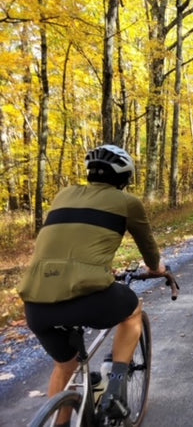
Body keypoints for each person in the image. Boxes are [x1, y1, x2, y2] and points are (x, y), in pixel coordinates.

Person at [18, 144, 166, 422]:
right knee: (133, 309)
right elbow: (149, 250)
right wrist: (158, 269)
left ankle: (58, 422)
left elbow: (70, 241)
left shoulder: (63, 195)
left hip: (36, 304)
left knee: (65, 367)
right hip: (88, 297)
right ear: (125, 178)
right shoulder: (127, 203)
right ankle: (115, 389)